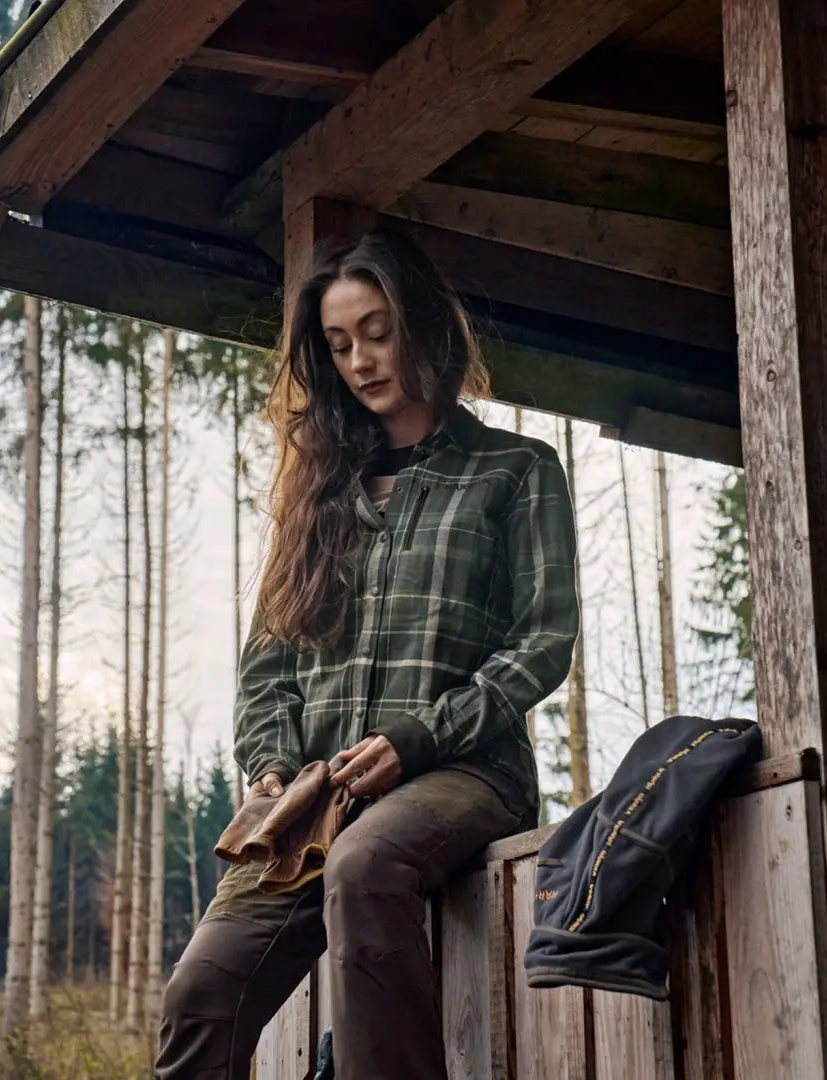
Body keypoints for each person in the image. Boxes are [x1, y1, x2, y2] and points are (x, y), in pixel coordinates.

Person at [155, 229, 580, 1079]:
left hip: (461, 771)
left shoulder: (516, 471)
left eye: (377, 331)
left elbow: (542, 643)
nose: (360, 360)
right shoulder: (316, 492)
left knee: (365, 864)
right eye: (339, 343)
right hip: (315, 793)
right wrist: (273, 765)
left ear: (424, 324)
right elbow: (268, 663)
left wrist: (415, 739)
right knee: (199, 994)